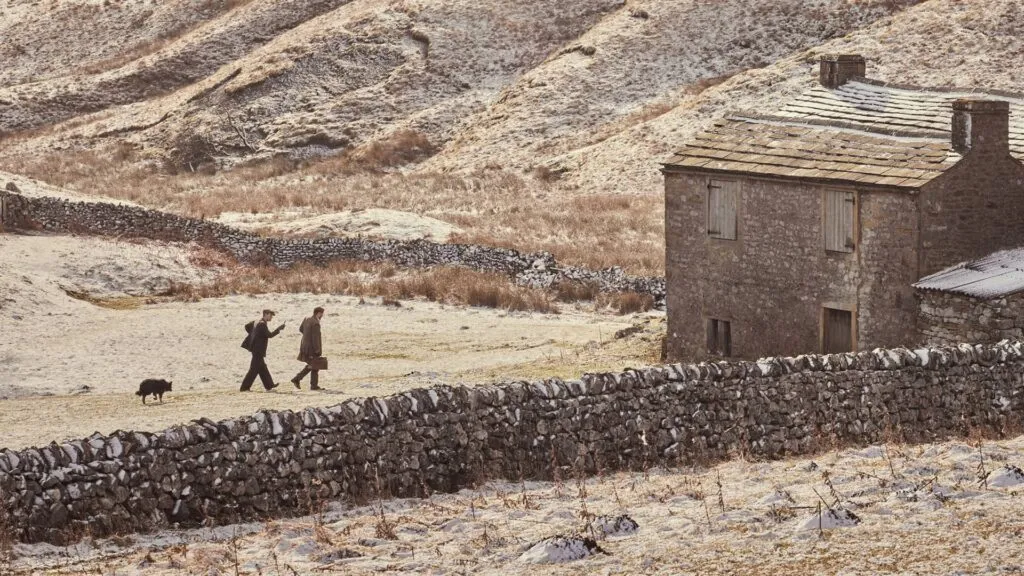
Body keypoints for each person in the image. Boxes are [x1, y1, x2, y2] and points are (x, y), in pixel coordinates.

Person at [240, 309, 286, 392]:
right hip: (258, 350)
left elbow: (247, 327)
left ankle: (269, 386)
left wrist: (253, 335)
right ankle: (244, 388)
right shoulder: (262, 324)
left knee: (262, 368)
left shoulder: (257, 322)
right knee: (253, 369)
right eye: (270, 315)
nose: (271, 317)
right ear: (266, 314)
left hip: (256, 349)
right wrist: (279, 329)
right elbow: (270, 335)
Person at [291, 306, 325, 390]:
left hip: (304, 346)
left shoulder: (306, 319)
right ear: (318, 313)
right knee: (314, 365)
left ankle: (312, 384)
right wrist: (317, 350)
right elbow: (315, 338)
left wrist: (307, 335)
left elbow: (301, 329)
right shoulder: (315, 323)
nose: (322, 316)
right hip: (312, 348)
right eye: (322, 314)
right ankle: (298, 379)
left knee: (313, 365)